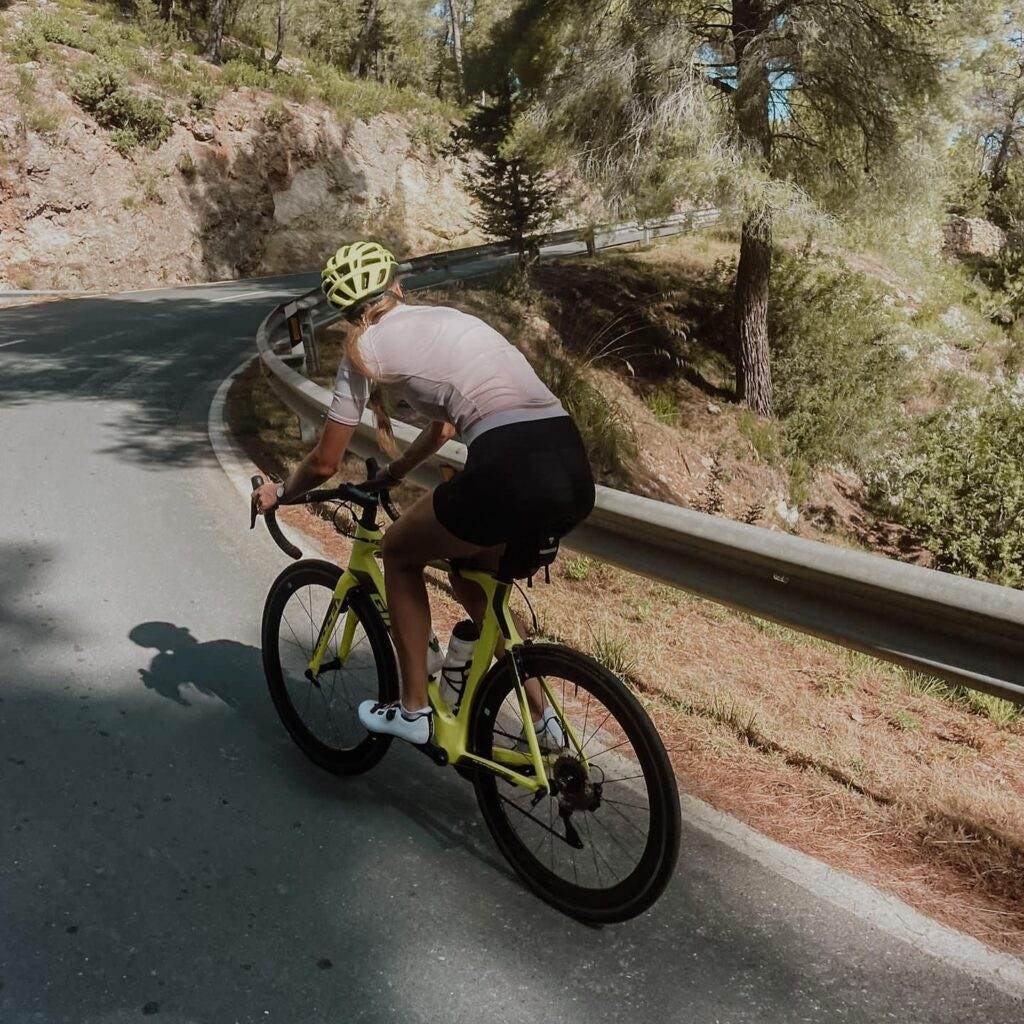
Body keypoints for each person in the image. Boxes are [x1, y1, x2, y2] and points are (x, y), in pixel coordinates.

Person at [251, 241, 595, 745]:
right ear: (397, 286)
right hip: (568, 460)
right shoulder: (447, 319)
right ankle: (546, 722)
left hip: (508, 465)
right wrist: (395, 472)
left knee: (398, 552)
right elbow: (443, 430)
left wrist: (281, 491)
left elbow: (325, 461)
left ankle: (413, 712)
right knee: (472, 577)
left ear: (346, 313)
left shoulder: (361, 350)